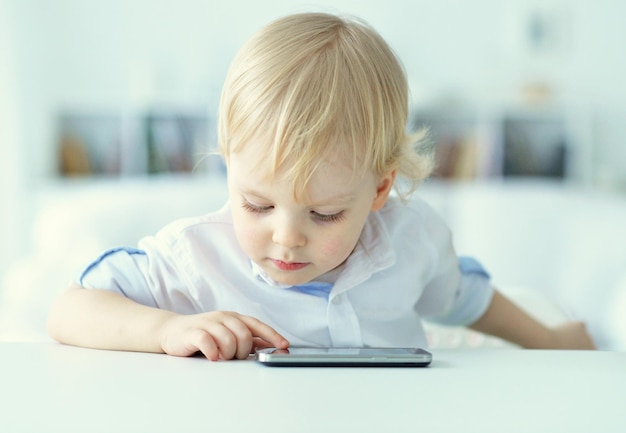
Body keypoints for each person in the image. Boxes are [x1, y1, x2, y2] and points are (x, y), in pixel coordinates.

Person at [47, 12, 595, 360]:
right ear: (229, 166)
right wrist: (167, 329)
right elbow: (69, 310)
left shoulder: (413, 239)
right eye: (257, 203)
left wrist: (548, 341)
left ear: (380, 191)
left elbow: (465, 297)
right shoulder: (194, 256)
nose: (286, 238)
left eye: (325, 214)